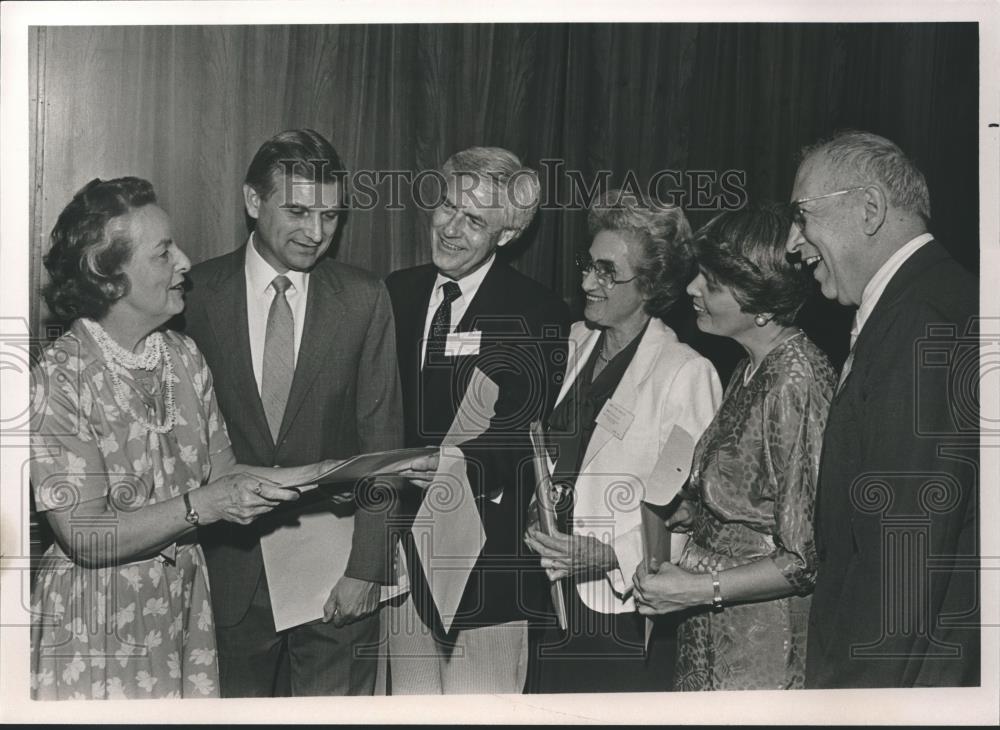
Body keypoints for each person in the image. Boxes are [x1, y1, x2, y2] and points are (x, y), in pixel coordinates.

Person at [30, 177, 335, 699]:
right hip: (97, 617)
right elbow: (85, 534)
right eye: (163, 253)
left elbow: (225, 477)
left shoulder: (183, 356)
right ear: (109, 278)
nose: (186, 261)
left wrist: (330, 475)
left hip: (181, 607)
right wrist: (201, 507)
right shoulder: (57, 378)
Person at [179, 129, 404, 696]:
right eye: (299, 210)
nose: (317, 232)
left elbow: (383, 444)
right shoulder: (193, 295)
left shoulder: (362, 297)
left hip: (333, 579)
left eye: (330, 215)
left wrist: (366, 569)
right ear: (254, 202)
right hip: (225, 577)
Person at [785, 130, 980, 688]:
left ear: (869, 209)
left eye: (803, 218)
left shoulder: (924, 319)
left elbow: (904, 558)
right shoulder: (924, 302)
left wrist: (854, 705)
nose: (792, 245)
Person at [383, 146, 571, 694]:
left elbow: (524, 430)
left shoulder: (537, 310)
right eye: (446, 206)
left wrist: (443, 464)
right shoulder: (397, 291)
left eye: (475, 220)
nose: (451, 228)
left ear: (506, 235)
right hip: (402, 556)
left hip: (488, 559)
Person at [523, 189, 722, 693]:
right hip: (551, 595)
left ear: (651, 286)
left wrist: (611, 555)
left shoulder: (684, 374)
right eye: (588, 265)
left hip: (625, 612)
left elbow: (692, 511)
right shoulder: (573, 343)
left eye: (608, 272)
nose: (588, 281)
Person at [630, 204, 836, 691]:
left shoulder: (795, 381)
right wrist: (695, 515)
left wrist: (699, 588)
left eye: (711, 282)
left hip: (761, 640)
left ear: (761, 299)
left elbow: (804, 559)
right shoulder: (749, 365)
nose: (691, 290)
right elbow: (752, 501)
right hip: (716, 621)